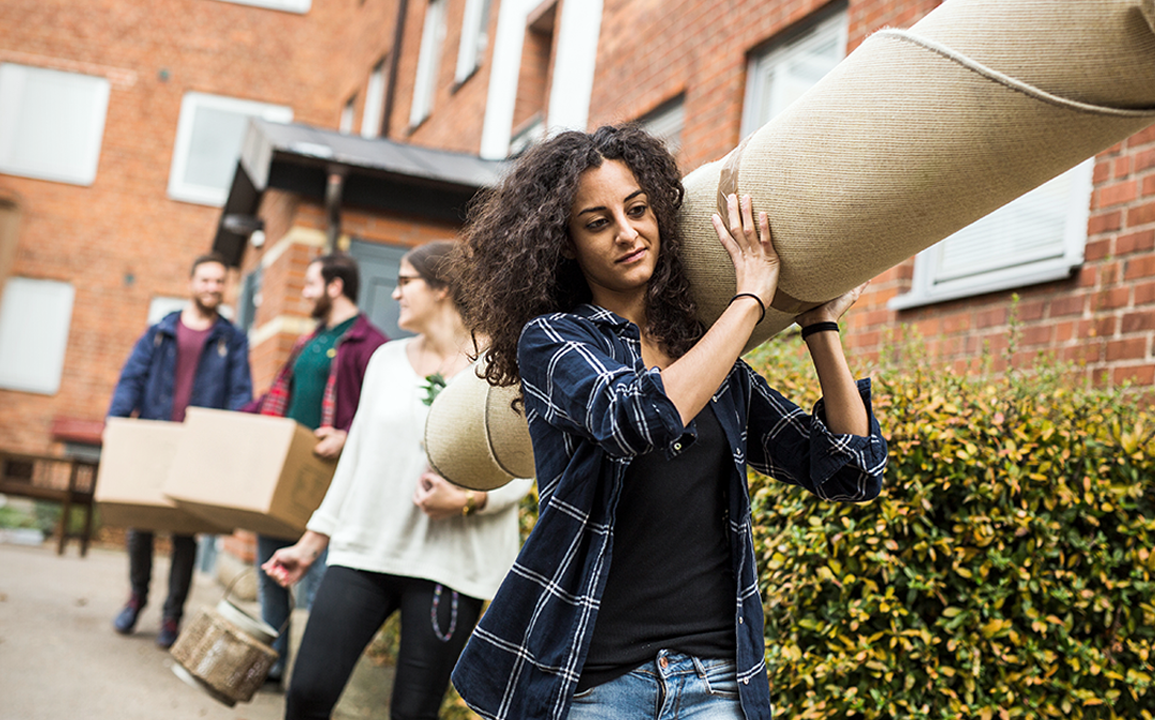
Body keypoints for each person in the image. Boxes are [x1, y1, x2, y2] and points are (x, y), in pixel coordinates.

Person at [448, 124, 888, 720]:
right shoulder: (553, 342)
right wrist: (751, 298)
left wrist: (819, 326)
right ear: (565, 244)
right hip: (597, 684)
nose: (628, 233)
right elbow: (638, 417)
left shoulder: (710, 363)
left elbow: (849, 472)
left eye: (638, 210)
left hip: (715, 681)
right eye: (598, 222)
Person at [261, 241, 533, 719]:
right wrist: (310, 543)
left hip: (449, 567)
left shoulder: (500, 365)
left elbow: (525, 465)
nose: (395, 293)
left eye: (406, 282)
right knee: (307, 692)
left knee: (412, 713)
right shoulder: (385, 360)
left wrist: (469, 499)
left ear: (442, 288)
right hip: (365, 550)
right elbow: (356, 459)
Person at [247, 251, 388, 682]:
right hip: (283, 476)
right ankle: (271, 667)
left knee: (317, 584)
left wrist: (345, 434)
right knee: (271, 571)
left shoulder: (371, 345)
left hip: (329, 484)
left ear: (335, 286)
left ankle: (310, 674)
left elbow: (381, 413)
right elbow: (277, 394)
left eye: (310, 284)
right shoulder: (308, 341)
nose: (304, 292)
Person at [108, 253, 253, 649]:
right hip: (155, 441)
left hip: (198, 448)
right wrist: (116, 424)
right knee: (140, 529)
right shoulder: (160, 332)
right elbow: (131, 378)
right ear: (191, 283)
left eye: (219, 281)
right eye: (206, 280)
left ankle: (172, 616)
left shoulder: (232, 339)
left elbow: (241, 393)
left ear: (225, 287)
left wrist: (235, 435)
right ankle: (137, 597)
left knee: (185, 537)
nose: (212, 287)